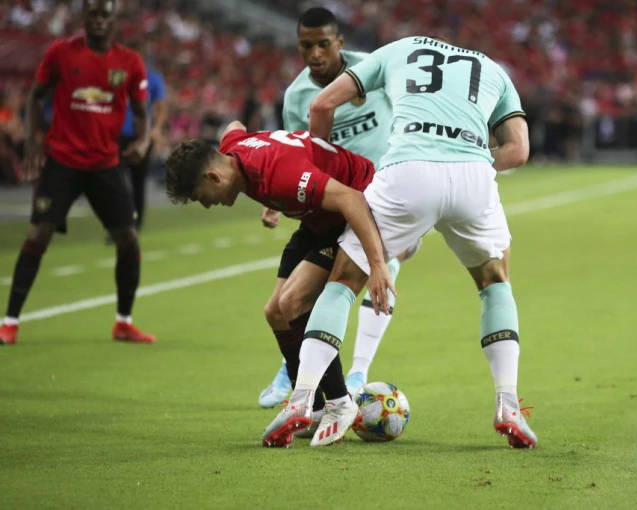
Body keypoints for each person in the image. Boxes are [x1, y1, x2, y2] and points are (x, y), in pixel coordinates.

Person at [265, 36, 538, 448]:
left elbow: (321, 105)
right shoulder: (492, 67)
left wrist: (323, 171)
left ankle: (303, 399)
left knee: (342, 282)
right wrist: (471, 159)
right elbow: (518, 150)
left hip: (406, 172)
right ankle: (509, 406)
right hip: (473, 176)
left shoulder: (399, 49)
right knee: (495, 283)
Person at [163, 122, 394, 447]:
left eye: (202, 197)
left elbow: (351, 199)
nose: (207, 205)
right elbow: (234, 127)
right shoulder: (232, 149)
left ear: (214, 177)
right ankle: (313, 411)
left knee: (293, 301)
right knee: (276, 312)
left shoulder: (282, 177)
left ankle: (340, 402)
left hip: (355, 209)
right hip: (316, 218)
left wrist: (378, 264)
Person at [257, 7, 419, 409]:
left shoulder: (372, 69)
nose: (315, 53)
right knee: (313, 289)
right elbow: (296, 152)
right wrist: (274, 202)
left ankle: (358, 371)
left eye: (323, 44)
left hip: (385, 195)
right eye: (306, 45)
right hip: (335, 203)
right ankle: (295, 365)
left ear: (339, 43)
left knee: (382, 263)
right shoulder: (297, 96)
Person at [0, 0, 155, 345]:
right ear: (84, 17)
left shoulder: (130, 62)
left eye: (105, 14)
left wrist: (143, 141)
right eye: (93, 14)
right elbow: (35, 96)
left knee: (128, 238)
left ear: (114, 19)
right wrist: (32, 141)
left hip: (105, 164)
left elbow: (142, 111)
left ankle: (124, 322)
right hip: (62, 160)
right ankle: (9, 322)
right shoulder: (60, 52)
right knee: (38, 233)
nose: (98, 20)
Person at [118, 39, 167, 233]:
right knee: (116, 182)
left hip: (142, 137)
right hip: (118, 136)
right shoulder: (118, 77)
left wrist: (157, 129)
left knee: (137, 182)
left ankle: (135, 225)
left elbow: (160, 107)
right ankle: (120, 223)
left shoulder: (153, 78)